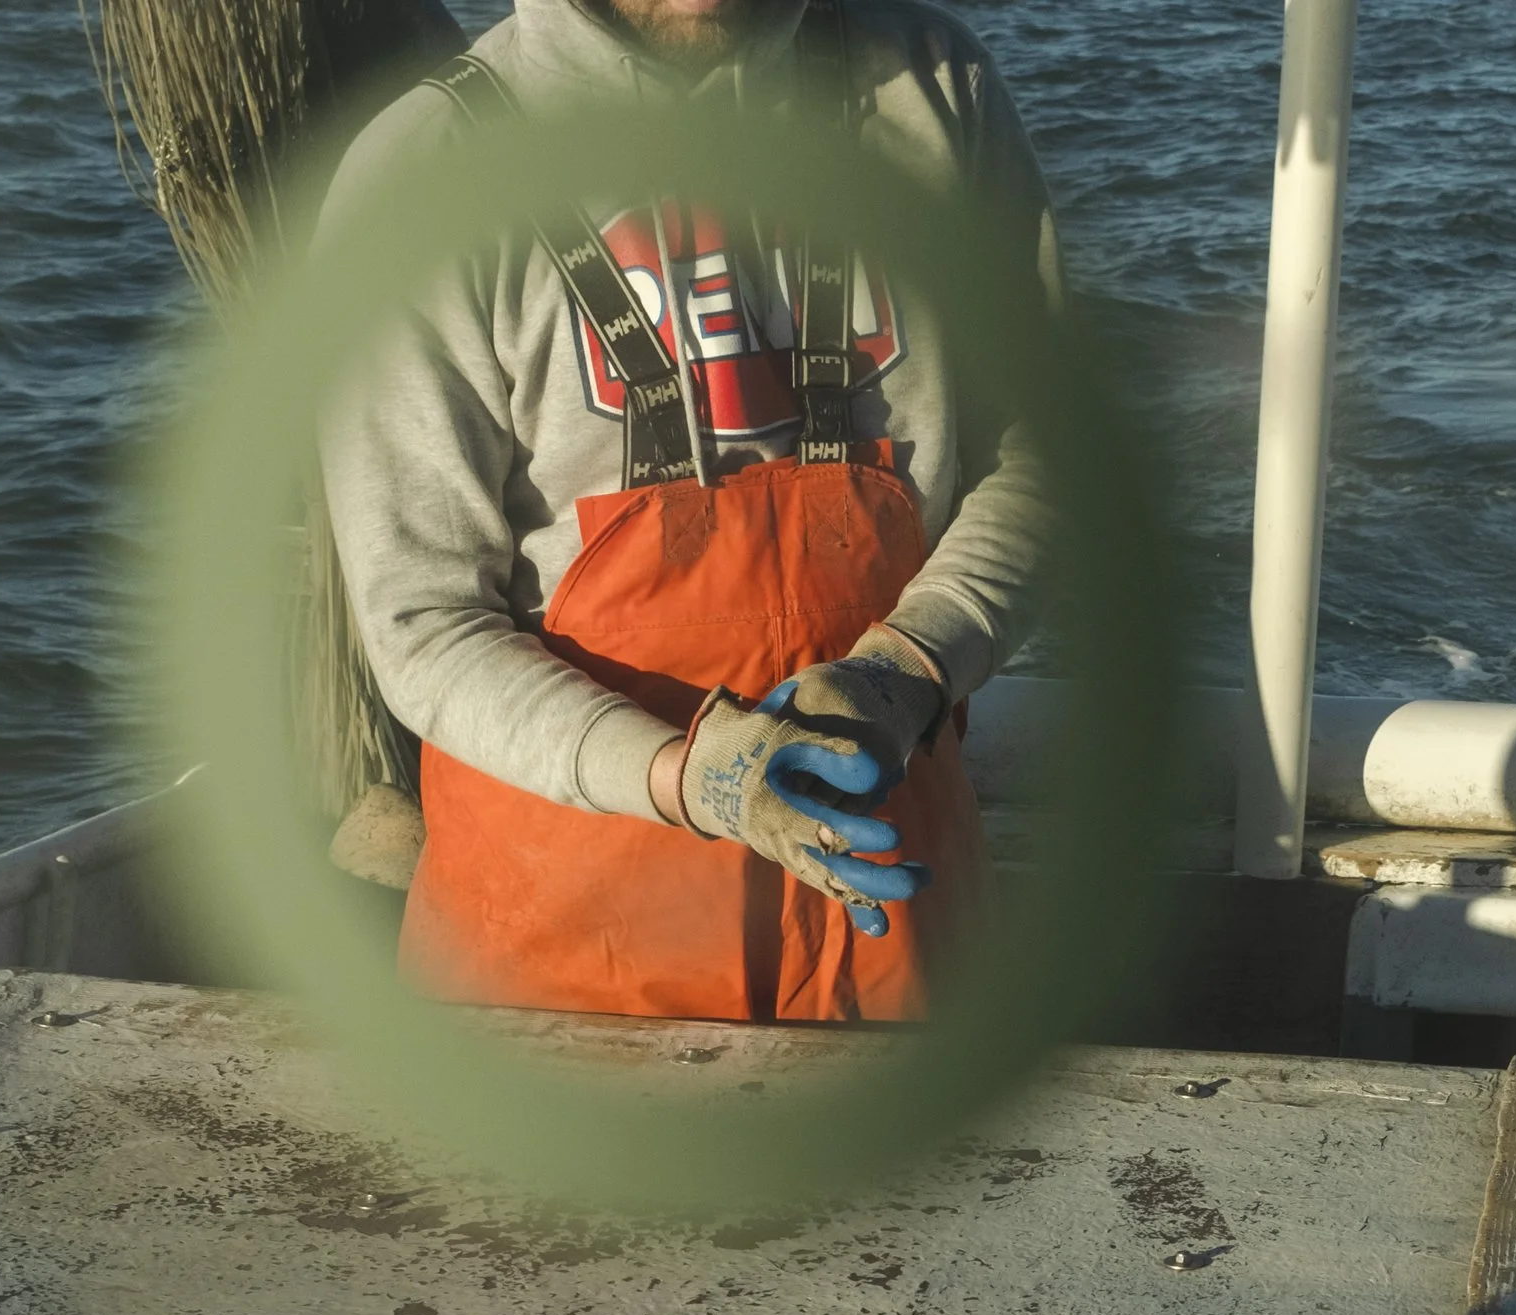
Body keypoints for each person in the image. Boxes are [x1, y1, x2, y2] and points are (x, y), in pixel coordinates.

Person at [317, 0, 1060, 1023]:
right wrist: (680, 777)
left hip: (901, 940)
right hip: (558, 976)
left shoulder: (935, 91)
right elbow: (422, 620)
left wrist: (909, 667)